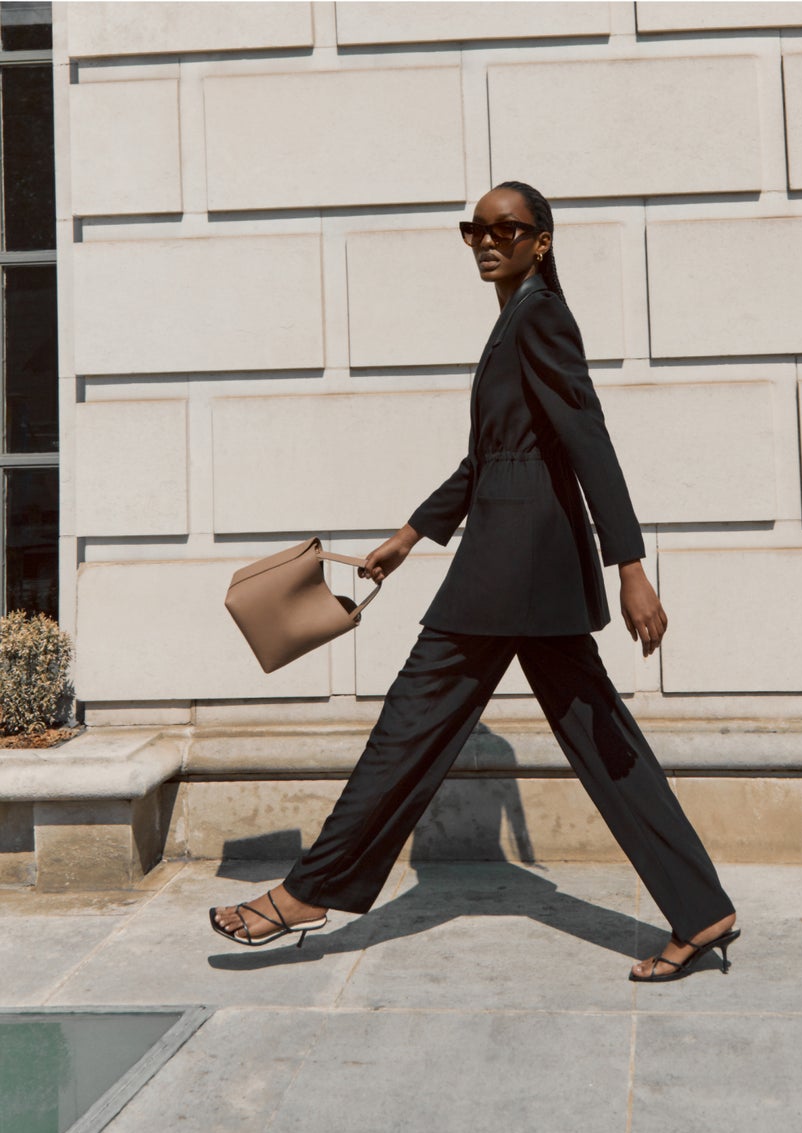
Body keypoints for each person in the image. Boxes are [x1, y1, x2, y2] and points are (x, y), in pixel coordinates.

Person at [209, 182, 740, 984]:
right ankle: (702, 909)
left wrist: (631, 564)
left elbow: (587, 437)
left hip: (512, 566)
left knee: (410, 723)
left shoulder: (540, 319)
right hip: (521, 565)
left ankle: (308, 891)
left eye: (507, 228)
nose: (488, 241)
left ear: (541, 241)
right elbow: (487, 459)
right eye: (474, 230)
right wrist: (410, 535)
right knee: (603, 737)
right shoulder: (514, 321)